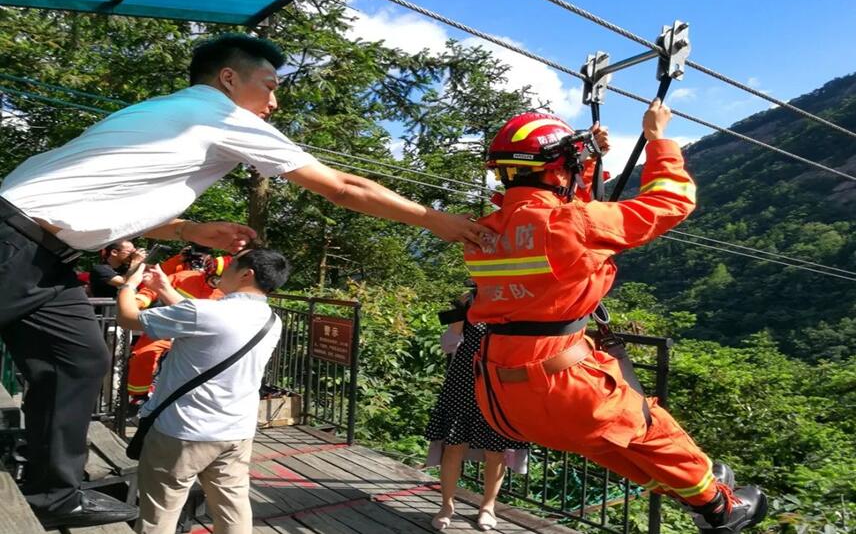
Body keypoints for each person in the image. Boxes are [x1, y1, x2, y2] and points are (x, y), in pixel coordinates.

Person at [0, 33, 490, 528]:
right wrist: (435, 220)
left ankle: (53, 493)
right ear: (229, 79)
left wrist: (190, 230)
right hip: (13, 239)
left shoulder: (164, 116)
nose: (274, 103)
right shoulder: (219, 113)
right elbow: (343, 187)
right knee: (75, 361)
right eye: (269, 86)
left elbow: (110, 203)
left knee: (79, 360)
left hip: (46, 255)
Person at [464, 101, 767, 534]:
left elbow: (557, 224)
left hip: (501, 395)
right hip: (564, 386)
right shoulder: (574, 223)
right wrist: (658, 138)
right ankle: (720, 507)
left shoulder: (484, 232)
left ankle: (688, 488)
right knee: (650, 430)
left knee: (610, 443)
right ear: (558, 170)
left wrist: (586, 163)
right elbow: (671, 201)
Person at [115, 248, 288, 534]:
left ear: (247, 274)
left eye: (231, 265)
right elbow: (201, 318)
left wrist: (128, 285)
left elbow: (127, 317)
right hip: (236, 432)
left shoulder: (206, 312)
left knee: (159, 514)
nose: (223, 270)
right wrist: (165, 288)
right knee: (233, 511)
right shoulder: (272, 320)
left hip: (183, 432)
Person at [425, 293, 528, 531]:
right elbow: (448, 344)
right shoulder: (471, 301)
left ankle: (488, 507)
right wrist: (461, 310)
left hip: (499, 383)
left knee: (496, 450)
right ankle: (446, 506)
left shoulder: (517, 302)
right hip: (464, 383)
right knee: (453, 446)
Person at [126, 254, 231, 403]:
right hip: (169, 329)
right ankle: (139, 397)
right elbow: (153, 288)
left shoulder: (230, 294)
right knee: (143, 355)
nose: (219, 285)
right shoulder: (185, 277)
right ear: (208, 273)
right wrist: (139, 301)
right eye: (216, 280)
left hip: (201, 337)